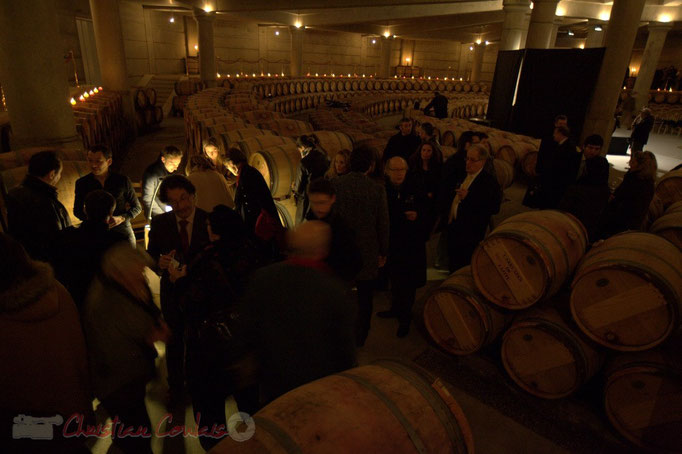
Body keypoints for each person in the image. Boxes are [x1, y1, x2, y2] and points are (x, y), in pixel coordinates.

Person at [168, 205, 261, 451]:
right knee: (251, 406)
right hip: (245, 342)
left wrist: (178, 281)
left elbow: (191, 303)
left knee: (210, 414)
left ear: (215, 230)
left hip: (210, 349)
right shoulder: (252, 251)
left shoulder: (205, 257)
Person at [241, 221, 356, 403]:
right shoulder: (334, 290)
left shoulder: (262, 278)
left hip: (274, 382)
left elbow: (247, 329)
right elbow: (344, 348)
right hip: (318, 385)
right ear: (322, 251)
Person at [0, 233, 92, 454]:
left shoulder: (5, 317)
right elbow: (79, 351)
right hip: (71, 411)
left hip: (25, 426)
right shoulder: (57, 291)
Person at [84, 244, 169, 454]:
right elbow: (144, 330)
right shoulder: (107, 301)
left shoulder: (118, 285)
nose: (143, 274)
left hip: (125, 378)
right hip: (118, 382)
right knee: (137, 432)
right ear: (121, 271)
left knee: (131, 428)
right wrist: (158, 333)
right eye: (139, 270)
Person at [147, 175, 209, 405]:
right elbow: (151, 254)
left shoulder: (207, 220)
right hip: (172, 292)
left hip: (199, 291)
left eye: (184, 198)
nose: (181, 206)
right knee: (173, 339)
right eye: (174, 202)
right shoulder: (161, 223)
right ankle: (175, 386)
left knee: (197, 338)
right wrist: (159, 263)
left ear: (193, 195)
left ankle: (197, 381)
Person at [333, 145, 389, 347]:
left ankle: (337, 333)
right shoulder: (376, 189)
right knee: (365, 298)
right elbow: (383, 224)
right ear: (371, 166)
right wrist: (383, 251)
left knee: (340, 293)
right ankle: (360, 337)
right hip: (366, 251)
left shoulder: (335, 184)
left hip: (341, 250)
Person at [54, 190, 129, 312]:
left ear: (85, 210)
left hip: (77, 300)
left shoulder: (67, 236)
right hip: (110, 304)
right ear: (111, 213)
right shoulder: (118, 240)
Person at [379, 157, 429, 337]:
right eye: (395, 170)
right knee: (395, 277)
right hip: (392, 243)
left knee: (408, 283)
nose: (399, 173)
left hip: (411, 244)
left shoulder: (416, 186)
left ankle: (405, 318)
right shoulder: (383, 190)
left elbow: (428, 210)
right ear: (387, 171)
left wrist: (418, 215)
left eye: (402, 170)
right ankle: (395, 308)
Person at [5, 150, 71, 263]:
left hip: (24, 260)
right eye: (59, 173)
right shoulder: (45, 202)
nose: (60, 177)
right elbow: (57, 242)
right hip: (45, 265)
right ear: (52, 174)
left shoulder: (13, 193)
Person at [445, 144, 501, 272]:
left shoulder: (489, 182)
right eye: (467, 159)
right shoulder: (463, 174)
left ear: (482, 162)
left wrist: (469, 197)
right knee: (452, 261)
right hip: (455, 226)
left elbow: (494, 208)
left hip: (470, 233)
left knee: (463, 264)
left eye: (472, 160)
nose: (468, 163)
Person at [74, 145, 141, 246]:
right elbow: (77, 211)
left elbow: (137, 207)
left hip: (120, 228)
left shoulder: (122, 180)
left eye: (98, 161)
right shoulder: (82, 183)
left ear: (109, 162)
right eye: (90, 160)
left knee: (129, 258)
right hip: (95, 232)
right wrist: (95, 222)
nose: (93, 165)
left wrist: (121, 218)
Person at [305, 178, 362, 284]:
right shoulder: (307, 224)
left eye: (322, 202)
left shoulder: (341, 227)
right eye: (314, 203)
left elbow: (355, 262)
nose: (318, 208)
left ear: (333, 199)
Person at [559, 134, 611, 241]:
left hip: (585, 204)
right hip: (568, 200)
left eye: (597, 149)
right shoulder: (573, 158)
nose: (593, 152)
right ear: (584, 146)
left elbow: (602, 185)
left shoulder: (602, 163)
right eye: (590, 148)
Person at [597, 150, 657, 239]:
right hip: (636, 221)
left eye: (632, 161)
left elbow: (620, 196)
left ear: (639, 165)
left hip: (622, 218)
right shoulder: (650, 182)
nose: (629, 164)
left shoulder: (633, 178)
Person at [224, 147, 280, 236]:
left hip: (258, 224)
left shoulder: (245, 175)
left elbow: (249, 204)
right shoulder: (248, 171)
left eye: (228, 167)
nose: (229, 170)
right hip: (259, 220)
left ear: (231, 163)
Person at [532, 125, 581, 209]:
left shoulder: (568, 147)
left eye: (555, 133)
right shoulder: (563, 145)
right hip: (553, 181)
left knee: (550, 204)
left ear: (560, 134)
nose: (553, 135)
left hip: (556, 183)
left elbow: (562, 167)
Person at [293, 134, 329, 224]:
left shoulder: (304, 162)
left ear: (302, 147)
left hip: (307, 201)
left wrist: (293, 186)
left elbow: (298, 188)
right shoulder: (324, 157)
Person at [141, 145, 183, 221]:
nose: (175, 167)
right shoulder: (152, 173)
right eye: (172, 164)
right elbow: (148, 198)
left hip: (171, 213)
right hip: (157, 215)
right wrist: (162, 215)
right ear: (163, 159)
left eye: (177, 164)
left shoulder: (172, 172)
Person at [409, 140, 443, 233]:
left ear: (433, 153)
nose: (425, 153)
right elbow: (411, 184)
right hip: (416, 201)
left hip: (430, 205)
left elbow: (438, 187)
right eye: (423, 150)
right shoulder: (414, 165)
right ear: (420, 151)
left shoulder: (437, 168)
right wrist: (425, 194)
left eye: (429, 151)